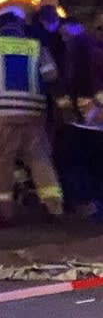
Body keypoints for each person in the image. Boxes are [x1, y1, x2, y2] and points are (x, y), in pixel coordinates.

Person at [0, 6, 64, 222]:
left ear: (0, 24)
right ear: (20, 25)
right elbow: (52, 78)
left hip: (2, 116)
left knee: (2, 161)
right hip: (35, 115)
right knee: (40, 160)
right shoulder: (37, 47)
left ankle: (3, 210)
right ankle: (54, 207)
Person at [55, 21, 103, 220]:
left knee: (80, 165)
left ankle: (87, 204)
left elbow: (71, 85)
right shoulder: (90, 52)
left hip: (83, 123)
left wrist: (69, 108)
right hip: (90, 122)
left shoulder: (80, 54)